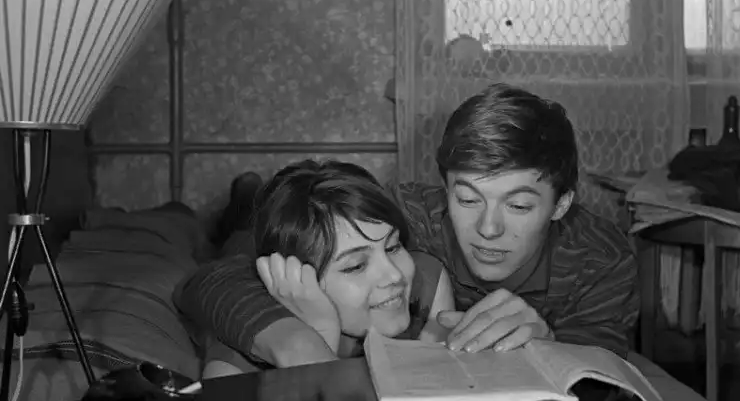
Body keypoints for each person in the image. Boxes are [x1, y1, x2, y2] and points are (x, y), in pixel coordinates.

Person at [176, 83, 639, 371]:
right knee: (247, 228)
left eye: (518, 205)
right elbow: (223, 276)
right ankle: (245, 202)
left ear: (561, 204)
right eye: (467, 198)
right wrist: (300, 344)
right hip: (264, 230)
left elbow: (606, 397)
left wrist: (550, 349)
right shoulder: (408, 216)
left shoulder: (602, 262)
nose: (488, 228)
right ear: (444, 187)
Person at [202, 159, 454, 377]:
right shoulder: (240, 356)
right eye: (356, 266)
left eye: (393, 246)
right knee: (236, 237)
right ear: (294, 278)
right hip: (243, 248)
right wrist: (321, 339)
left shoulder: (426, 283)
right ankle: (242, 203)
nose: (394, 275)